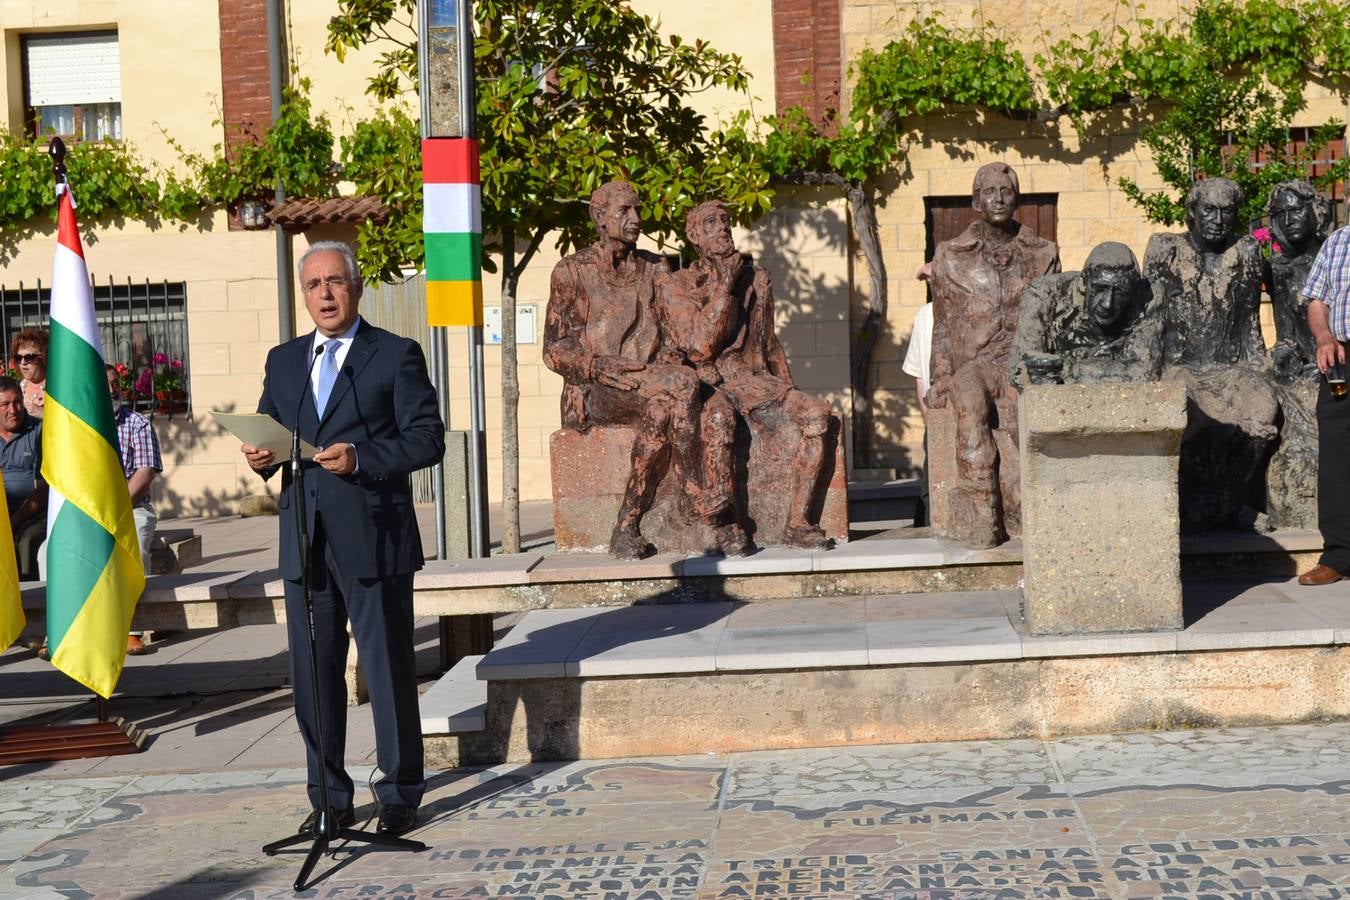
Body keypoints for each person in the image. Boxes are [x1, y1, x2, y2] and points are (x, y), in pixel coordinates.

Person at [240, 241, 444, 836]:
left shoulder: (394, 355)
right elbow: (271, 433)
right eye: (313, 285)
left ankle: (401, 791)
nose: (324, 294)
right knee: (313, 674)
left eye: (334, 282)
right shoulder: (284, 361)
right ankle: (329, 797)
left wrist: (361, 456)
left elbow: (426, 439)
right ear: (303, 295)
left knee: (386, 670)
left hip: (373, 537)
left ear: (356, 288)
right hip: (304, 539)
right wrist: (260, 457)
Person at [544, 180, 717, 558]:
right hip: (596, 389)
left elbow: (674, 330)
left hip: (648, 385)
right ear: (600, 218)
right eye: (625, 211)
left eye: (637, 210)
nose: (635, 219)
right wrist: (596, 365)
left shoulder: (656, 268)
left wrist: (670, 355)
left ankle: (626, 527)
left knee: (662, 410)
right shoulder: (571, 272)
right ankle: (693, 491)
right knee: (685, 385)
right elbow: (553, 349)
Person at [658, 199, 833, 549]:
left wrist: (790, 388)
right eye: (711, 223)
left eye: (725, 221)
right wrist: (725, 285)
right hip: (710, 382)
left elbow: (768, 343)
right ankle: (724, 524)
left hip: (755, 381)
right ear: (694, 235)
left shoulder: (758, 280)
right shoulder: (675, 285)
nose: (722, 228)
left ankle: (798, 521)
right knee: (719, 418)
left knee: (817, 414)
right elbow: (700, 347)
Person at [926, 162, 1060, 547]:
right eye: (990, 192)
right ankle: (981, 509)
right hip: (976, 364)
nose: (998, 199)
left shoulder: (1043, 254)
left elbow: (1055, 318)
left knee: (1030, 421)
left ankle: (1028, 509)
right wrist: (940, 376)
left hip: (1023, 361)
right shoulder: (951, 255)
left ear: (1016, 199)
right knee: (969, 402)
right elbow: (942, 322)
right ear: (975, 201)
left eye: (1006, 191)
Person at [1144, 177, 1278, 532]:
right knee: (1191, 419)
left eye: (1227, 211)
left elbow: (1250, 321)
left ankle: (1231, 500)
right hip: (1179, 367)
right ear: (1192, 213)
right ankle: (1191, 504)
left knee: (1262, 408)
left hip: (1231, 368)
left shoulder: (1247, 251)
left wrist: (1262, 370)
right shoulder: (1164, 249)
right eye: (1209, 210)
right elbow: (1151, 321)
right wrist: (1149, 373)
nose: (1218, 219)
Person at [1010, 242, 1163, 387]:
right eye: (1099, 289)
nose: (1107, 303)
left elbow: (1144, 371)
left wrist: (1065, 369)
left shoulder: (1147, 299)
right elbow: (1022, 369)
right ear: (1083, 284)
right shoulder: (1044, 295)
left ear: (1132, 293)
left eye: (1120, 293)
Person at [1297, 221, 1350, 585]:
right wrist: (1324, 337)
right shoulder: (1337, 241)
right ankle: (1338, 555)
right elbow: (1318, 300)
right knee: (1336, 455)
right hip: (1341, 358)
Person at [107, 364, 162, 655]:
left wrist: (114, 509)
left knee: (135, 544)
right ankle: (57, 631)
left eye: (116, 383)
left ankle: (132, 629)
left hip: (131, 507)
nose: (112, 389)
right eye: (105, 384)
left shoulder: (137, 424)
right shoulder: (78, 426)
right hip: (88, 512)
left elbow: (145, 472)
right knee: (47, 550)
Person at [0, 376, 45, 580]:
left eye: (17, 402)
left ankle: (30, 603)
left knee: (27, 541)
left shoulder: (37, 431)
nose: (14, 410)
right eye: (5, 404)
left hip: (34, 515)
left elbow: (44, 489)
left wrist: (15, 520)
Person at [11, 327, 47, 420]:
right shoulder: (17, 388)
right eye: (18, 358)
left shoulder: (57, 389)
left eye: (29, 357)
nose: (23, 363)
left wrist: (44, 414)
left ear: (44, 357)